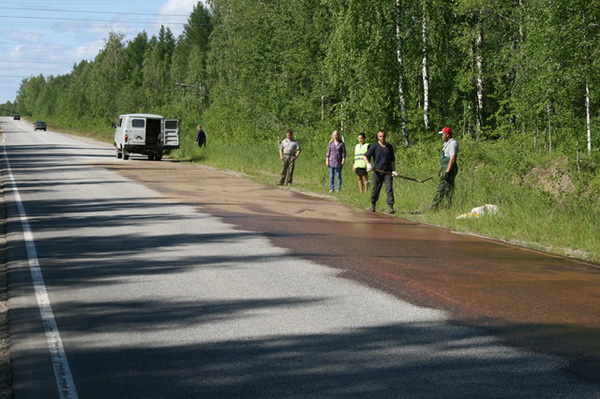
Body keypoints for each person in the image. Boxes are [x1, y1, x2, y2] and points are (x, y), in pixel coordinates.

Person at [363, 130, 398, 214]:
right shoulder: (374, 146)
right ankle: (372, 205)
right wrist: (368, 164)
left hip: (388, 172)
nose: (382, 138)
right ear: (378, 137)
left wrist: (394, 170)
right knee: (376, 189)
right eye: (380, 136)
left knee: (389, 189)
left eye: (384, 136)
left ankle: (390, 207)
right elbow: (365, 156)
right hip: (377, 172)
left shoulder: (389, 147)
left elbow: (392, 160)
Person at [429, 126, 459, 209]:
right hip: (444, 168)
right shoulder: (446, 144)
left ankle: (436, 206)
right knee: (443, 188)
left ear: (447, 134)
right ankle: (439, 206)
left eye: (443, 134)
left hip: (449, 169)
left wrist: (447, 172)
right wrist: (441, 170)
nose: (441, 136)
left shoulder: (453, 143)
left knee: (446, 188)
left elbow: (452, 158)